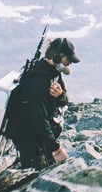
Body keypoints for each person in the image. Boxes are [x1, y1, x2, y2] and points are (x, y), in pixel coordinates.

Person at [9, 37, 79, 169]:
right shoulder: (39, 79)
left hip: (41, 138)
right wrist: (55, 148)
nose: (70, 63)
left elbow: (65, 100)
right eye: (68, 59)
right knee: (34, 172)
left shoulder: (54, 73)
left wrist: (60, 96)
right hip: (29, 139)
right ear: (57, 57)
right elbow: (39, 116)